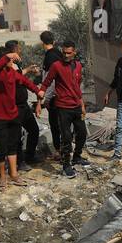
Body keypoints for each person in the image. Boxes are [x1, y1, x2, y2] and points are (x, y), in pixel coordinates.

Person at [0, 44, 40, 188]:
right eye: (10, 60)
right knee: (1, 148)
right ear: (4, 60)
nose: (12, 63)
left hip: (14, 115)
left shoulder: (12, 72)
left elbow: (25, 81)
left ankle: (14, 174)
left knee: (13, 146)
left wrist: (37, 91)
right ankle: (2, 177)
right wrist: (7, 57)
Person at [36, 42, 88, 179]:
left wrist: (82, 104)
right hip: (63, 107)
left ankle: (77, 157)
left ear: (74, 52)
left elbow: (77, 86)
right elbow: (46, 82)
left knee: (82, 133)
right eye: (64, 52)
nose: (66, 55)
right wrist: (40, 96)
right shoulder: (56, 66)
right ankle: (66, 165)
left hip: (76, 105)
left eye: (69, 53)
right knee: (66, 137)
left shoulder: (78, 66)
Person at [4, 39, 43, 169]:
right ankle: (19, 163)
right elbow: (15, 76)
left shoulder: (17, 64)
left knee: (34, 129)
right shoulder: (7, 65)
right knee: (16, 135)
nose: (20, 51)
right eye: (19, 49)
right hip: (14, 106)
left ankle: (30, 156)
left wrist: (29, 70)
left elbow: (20, 76)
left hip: (23, 105)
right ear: (14, 51)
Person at [40, 31, 63, 160]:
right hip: (63, 95)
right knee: (62, 124)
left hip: (54, 97)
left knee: (55, 124)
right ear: (53, 41)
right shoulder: (58, 54)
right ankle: (65, 150)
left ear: (42, 43)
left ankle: (59, 151)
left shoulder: (50, 56)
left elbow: (51, 80)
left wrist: (46, 98)